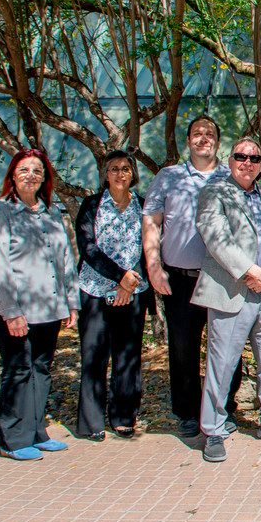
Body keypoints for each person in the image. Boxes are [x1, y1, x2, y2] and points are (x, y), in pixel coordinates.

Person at [192, 138, 261, 462]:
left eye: (254, 158)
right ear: (230, 160)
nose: (247, 162)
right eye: (241, 156)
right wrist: (251, 271)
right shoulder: (213, 193)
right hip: (231, 291)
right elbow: (216, 237)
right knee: (222, 364)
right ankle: (213, 430)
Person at [142, 115, 243, 438]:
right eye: (197, 133)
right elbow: (151, 222)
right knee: (183, 347)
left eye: (209, 133)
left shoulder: (232, 176)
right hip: (181, 278)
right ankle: (187, 412)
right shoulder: (168, 177)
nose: (203, 138)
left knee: (226, 346)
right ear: (188, 141)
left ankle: (224, 407)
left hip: (223, 278)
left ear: (218, 141)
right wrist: (153, 267)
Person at [0, 149, 79, 460]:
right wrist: (11, 313)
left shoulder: (50, 212)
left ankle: (36, 433)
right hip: (12, 309)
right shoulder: (0, 212)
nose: (30, 175)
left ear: (44, 177)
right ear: (12, 174)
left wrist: (71, 302)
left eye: (37, 170)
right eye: (24, 169)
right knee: (18, 369)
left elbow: (65, 260)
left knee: (40, 369)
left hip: (48, 307)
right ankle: (12, 440)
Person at [74, 150, 154, 442]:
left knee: (127, 356)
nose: (120, 174)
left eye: (125, 169)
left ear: (133, 174)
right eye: (114, 169)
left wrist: (127, 284)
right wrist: (119, 276)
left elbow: (150, 248)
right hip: (94, 291)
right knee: (94, 355)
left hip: (132, 292)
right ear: (105, 174)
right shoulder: (91, 205)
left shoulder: (143, 206)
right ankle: (91, 421)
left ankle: (123, 417)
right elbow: (88, 247)